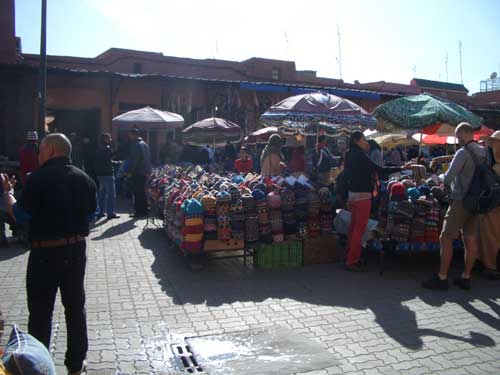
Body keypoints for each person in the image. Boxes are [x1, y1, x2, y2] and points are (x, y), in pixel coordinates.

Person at [1, 133, 97, 375]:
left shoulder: (37, 179)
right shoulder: (85, 178)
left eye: (41, 150)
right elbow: (91, 216)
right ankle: (76, 365)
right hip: (75, 250)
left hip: (44, 254)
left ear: (52, 150)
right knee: (75, 308)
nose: (39, 154)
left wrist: (7, 193)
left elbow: (20, 216)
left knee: (41, 311)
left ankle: (38, 366)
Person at [422, 123, 487, 290]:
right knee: (470, 239)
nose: (457, 140)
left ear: (465, 133)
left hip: (461, 201)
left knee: (446, 237)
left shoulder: (463, 152)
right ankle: (466, 277)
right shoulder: (484, 152)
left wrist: (435, 182)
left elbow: (449, 176)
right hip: (478, 202)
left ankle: (442, 277)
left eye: (458, 136)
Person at [343, 131, 409, 272]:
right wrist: (402, 168)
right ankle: (352, 260)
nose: (366, 142)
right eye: (363, 140)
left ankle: (349, 257)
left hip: (352, 194)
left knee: (353, 228)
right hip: (363, 196)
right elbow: (380, 170)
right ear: (356, 140)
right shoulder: (361, 156)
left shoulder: (349, 154)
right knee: (358, 230)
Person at [477, 130, 500, 279]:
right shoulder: (493, 163)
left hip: (494, 207)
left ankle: (491, 266)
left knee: (491, 237)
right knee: (487, 235)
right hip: (492, 206)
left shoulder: (496, 166)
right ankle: (484, 262)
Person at [127, 128, 152, 218]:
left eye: (130, 135)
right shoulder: (145, 144)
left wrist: (130, 171)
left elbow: (135, 160)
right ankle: (144, 210)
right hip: (145, 171)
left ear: (135, 135)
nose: (129, 137)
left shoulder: (136, 145)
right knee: (142, 191)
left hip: (138, 171)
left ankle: (138, 212)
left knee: (137, 192)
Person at [95, 133, 120, 220]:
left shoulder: (98, 149)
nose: (110, 140)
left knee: (101, 194)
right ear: (105, 139)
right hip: (108, 174)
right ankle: (111, 213)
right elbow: (108, 161)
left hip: (100, 174)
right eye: (109, 138)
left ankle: (100, 212)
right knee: (111, 194)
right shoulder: (107, 149)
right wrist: (118, 163)